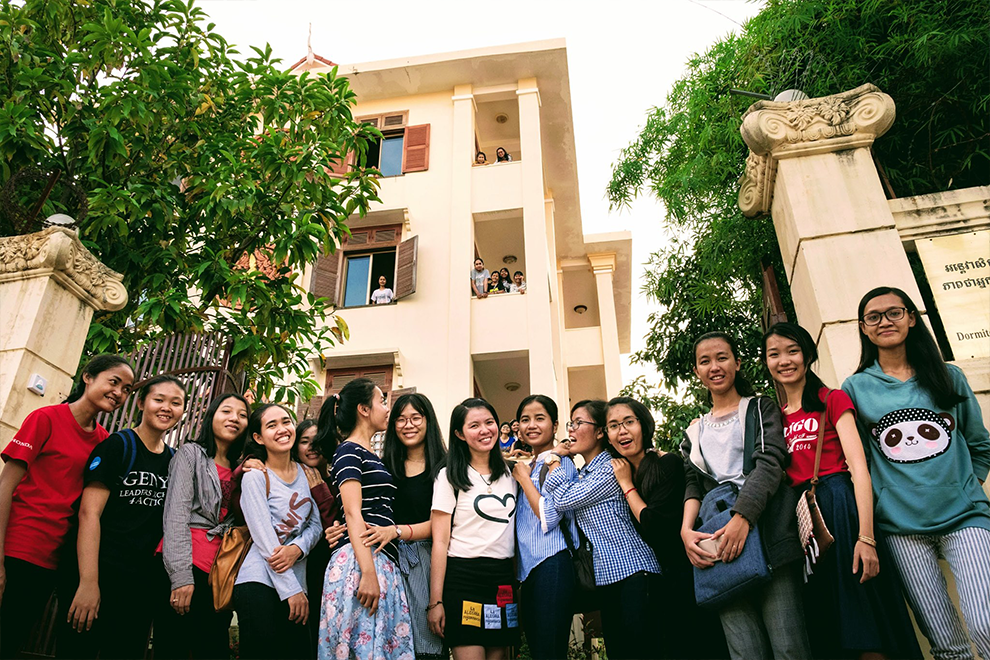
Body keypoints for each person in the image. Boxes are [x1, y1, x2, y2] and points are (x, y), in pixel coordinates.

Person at [842, 287, 990, 660]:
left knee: (986, 623)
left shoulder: (948, 376)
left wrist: (963, 488)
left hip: (965, 517)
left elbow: (979, 443)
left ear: (911, 317)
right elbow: (860, 463)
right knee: (946, 644)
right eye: (873, 316)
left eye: (894, 312)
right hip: (901, 529)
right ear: (864, 327)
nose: (884, 321)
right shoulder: (856, 388)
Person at [763, 322, 922, 660]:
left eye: (792, 351)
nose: (784, 361)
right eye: (774, 354)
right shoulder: (775, 418)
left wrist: (866, 538)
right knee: (829, 621)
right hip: (803, 522)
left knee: (862, 617)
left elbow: (859, 469)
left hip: (840, 509)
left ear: (808, 355)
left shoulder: (831, 399)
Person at [681, 332, 810, 660]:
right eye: (705, 361)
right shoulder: (694, 432)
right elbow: (693, 486)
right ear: (696, 371)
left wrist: (743, 518)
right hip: (719, 545)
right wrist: (686, 531)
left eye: (722, 357)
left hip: (769, 534)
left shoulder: (759, 407)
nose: (714, 366)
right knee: (745, 652)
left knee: (789, 647)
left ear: (737, 363)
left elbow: (770, 462)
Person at [0, 354, 134, 659]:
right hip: (18, 549)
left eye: (127, 389)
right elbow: (5, 487)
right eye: (114, 382)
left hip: (54, 560)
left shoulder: (104, 441)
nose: (119, 393)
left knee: (11, 641)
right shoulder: (45, 418)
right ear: (88, 377)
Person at [61, 376, 185, 659]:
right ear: (141, 403)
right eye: (159, 400)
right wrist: (88, 583)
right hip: (99, 572)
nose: (166, 408)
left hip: (139, 585)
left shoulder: (174, 461)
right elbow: (89, 513)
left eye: (176, 403)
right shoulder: (118, 446)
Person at [606, 396, 727, 660]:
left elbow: (656, 526)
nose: (622, 431)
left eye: (629, 422)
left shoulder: (666, 463)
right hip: (650, 583)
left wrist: (627, 485)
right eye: (614, 426)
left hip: (684, 576)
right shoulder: (612, 474)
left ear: (644, 425)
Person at [542, 400, 662, 660]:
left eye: (579, 423)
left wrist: (554, 460)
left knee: (640, 652)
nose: (571, 429)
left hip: (633, 570)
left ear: (599, 432)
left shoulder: (610, 468)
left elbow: (563, 500)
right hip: (608, 577)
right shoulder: (584, 473)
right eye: (571, 423)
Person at [318, 379, 414, 660]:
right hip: (361, 562)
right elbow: (352, 512)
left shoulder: (370, 454)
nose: (387, 408)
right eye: (381, 401)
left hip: (378, 560)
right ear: (363, 409)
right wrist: (368, 573)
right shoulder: (349, 451)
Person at [158, 393, 250, 660]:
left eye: (242, 415)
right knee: (173, 648)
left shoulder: (241, 466)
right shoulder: (191, 454)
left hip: (221, 572)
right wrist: (181, 577)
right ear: (212, 416)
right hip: (187, 564)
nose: (234, 418)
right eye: (226, 411)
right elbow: (176, 514)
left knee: (213, 649)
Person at [429, 398, 520, 660]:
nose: (484, 430)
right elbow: (440, 541)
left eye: (489, 422)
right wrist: (436, 602)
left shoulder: (512, 474)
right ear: (459, 434)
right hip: (463, 579)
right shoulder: (449, 476)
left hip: (502, 581)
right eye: (474, 425)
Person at [234, 404, 323, 660]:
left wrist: (298, 549)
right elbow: (264, 539)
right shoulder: (255, 476)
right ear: (259, 437)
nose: (282, 429)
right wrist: (291, 590)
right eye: (272, 425)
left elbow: (316, 525)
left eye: (286, 422)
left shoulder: (308, 473)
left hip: (297, 582)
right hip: (259, 582)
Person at [380, 393, 447, 660]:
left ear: (428, 421)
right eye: (400, 419)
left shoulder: (444, 467)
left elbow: (445, 526)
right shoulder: (384, 468)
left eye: (416, 418)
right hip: (389, 561)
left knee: (427, 645)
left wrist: (399, 531)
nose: (408, 425)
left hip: (430, 562)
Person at [511, 395, 576, 660]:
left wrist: (524, 480)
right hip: (529, 570)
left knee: (549, 650)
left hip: (552, 562)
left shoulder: (560, 463)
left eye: (540, 418)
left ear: (555, 425)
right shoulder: (529, 465)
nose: (532, 425)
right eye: (525, 419)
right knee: (540, 650)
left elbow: (549, 517)